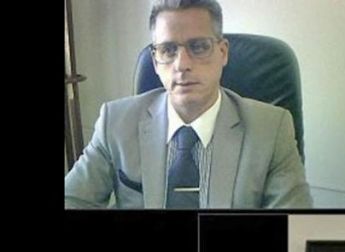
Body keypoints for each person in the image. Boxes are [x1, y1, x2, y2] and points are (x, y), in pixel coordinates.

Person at [64, 0, 312, 209]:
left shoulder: (272, 129)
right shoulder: (116, 122)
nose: (182, 64)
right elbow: (73, 200)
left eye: (199, 47)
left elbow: (293, 226)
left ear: (223, 52)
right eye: (168, 50)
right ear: (155, 61)